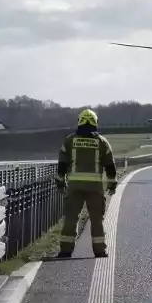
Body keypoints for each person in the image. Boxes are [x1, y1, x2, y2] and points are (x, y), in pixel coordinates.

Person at [55, 109, 118, 258]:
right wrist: (112, 184)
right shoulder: (102, 142)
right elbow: (110, 165)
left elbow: (62, 164)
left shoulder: (70, 140)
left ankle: (65, 251)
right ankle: (100, 251)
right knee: (97, 219)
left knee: (71, 218)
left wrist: (60, 181)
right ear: (95, 122)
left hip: (75, 186)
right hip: (94, 187)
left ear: (80, 122)